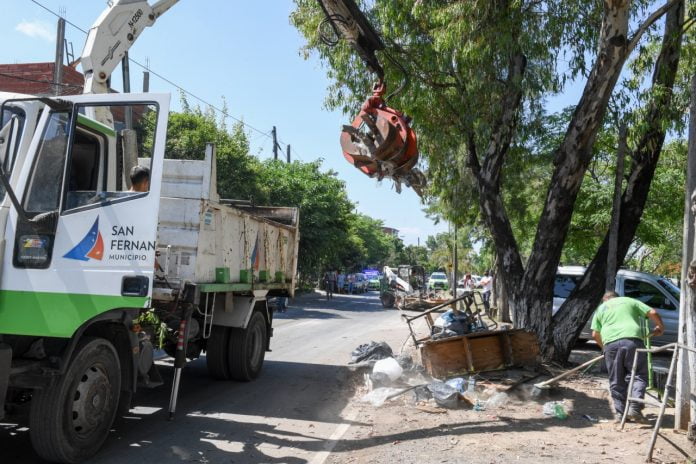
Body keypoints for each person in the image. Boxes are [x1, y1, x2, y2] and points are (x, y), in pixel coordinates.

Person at [591, 291, 665, 423]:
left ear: (605, 300)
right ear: (617, 297)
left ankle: (621, 414)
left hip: (610, 344)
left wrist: (604, 348)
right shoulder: (629, 300)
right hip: (632, 341)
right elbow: (653, 312)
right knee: (637, 375)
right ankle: (635, 407)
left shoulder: (601, 309)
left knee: (616, 379)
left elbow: (594, 334)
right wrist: (660, 326)